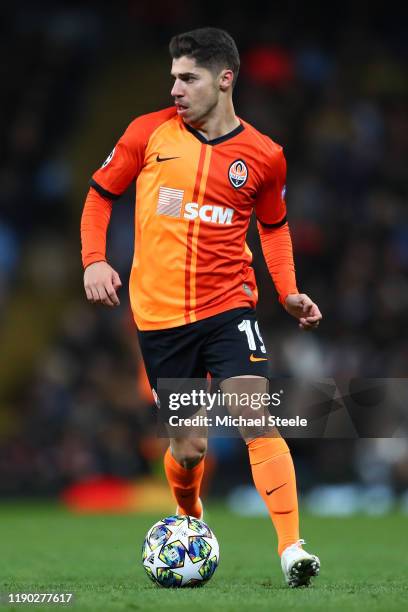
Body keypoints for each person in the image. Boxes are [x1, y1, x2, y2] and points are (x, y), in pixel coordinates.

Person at [80, 27, 322, 587]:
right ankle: (191, 524)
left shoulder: (264, 156)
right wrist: (95, 259)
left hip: (229, 307)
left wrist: (286, 290)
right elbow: (99, 196)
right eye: (173, 78)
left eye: (188, 78)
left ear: (224, 79)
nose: (176, 89)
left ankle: (292, 550)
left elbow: (275, 229)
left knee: (253, 416)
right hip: (160, 318)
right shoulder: (148, 134)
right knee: (188, 448)